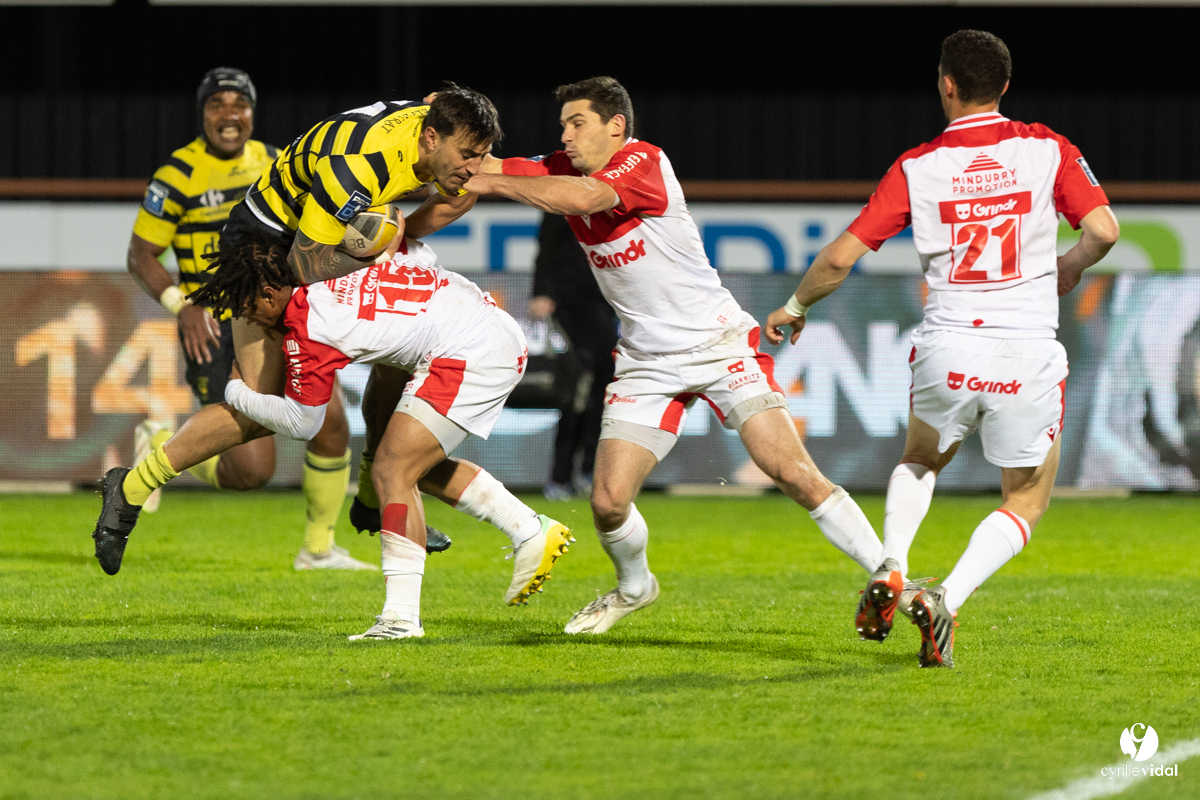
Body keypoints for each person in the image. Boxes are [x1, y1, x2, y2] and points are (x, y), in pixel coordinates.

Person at [467, 76, 884, 635]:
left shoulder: (642, 161)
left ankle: (892, 578)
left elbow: (581, 198)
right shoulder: (563, 169)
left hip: (717, 347)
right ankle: (635, 587)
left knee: (792, 472)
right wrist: (449, 142)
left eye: (577, 123)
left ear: (616, 125)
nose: (564, 135)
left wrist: (492, 181)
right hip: (645, 361)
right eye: (562, 125)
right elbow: (493, 166)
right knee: (609, 502)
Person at [766, 30, 1120, 668]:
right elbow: (1104, 231)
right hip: (1026, 350)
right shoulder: (1048, 149)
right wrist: (1065, 269)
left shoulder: (918, 166)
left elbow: (842, 257)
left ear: (946, 85)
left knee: (922, 458)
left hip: (947, 344)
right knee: (1025, 497)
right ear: (1005, 86)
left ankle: (892, 563)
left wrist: (794, 308)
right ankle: (947, 599)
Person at [92, 86, 501, 575]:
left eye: (481, 154)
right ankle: (131, 487)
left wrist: (399, 233)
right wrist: (381, 244)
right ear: (431, 137)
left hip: (321, 242)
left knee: (403, 355)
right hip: (269, 251)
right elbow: (306, 263)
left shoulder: (440, 129)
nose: (474, 167)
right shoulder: (359, 167)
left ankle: (371, 497)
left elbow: (464, 179)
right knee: (263, 409)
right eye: (468, 156)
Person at [191, 233, 572, 639]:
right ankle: (527, 528)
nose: (250, 321)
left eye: (249, 309)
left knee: (391, 469)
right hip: (480, 323)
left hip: (470, 348)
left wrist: (235, 392)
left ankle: (401, 618)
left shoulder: (309, 327)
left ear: (269, 295)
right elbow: (412, 250)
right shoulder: (331, 264)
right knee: (408, 464)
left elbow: (301, 423)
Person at [125, 67, 370, 570]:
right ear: (203, 114)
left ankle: (318, 549)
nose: (229, 114)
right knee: (251, 472)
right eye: (217, 104)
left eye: (239, 104)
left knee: (331, 422)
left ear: (253, 113)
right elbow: (140, 255)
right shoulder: (178, 175)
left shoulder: (277, 161)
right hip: (215, 324)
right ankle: (164, 443)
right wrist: (183, 305)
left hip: (278, 313)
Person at [529, 212, 619, 499]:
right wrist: (541, 292)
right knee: (578, 382)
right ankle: (563, 474)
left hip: (604, 297)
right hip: (570, 299)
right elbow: (546, 246)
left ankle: (586, 470)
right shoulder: (562, 192)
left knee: (603, 381)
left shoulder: (611, 189)